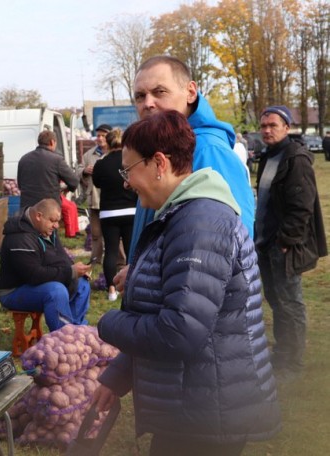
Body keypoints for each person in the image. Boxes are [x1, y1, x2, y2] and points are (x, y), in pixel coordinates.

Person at [92, 110, 281, 456]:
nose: (125, 182)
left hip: (206, 414)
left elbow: (178, 331)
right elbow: (166, 308)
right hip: (193, 402)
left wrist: (108, 324)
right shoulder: (181, 216)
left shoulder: (200, 223)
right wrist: (120, 375)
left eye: (129, 169)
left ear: (159, 163)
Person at [115, 55, 255, 293]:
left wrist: (145, 271)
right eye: (140, 96)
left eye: (159, 92)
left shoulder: (207, 150)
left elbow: (231, 244)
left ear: (190, 92)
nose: (148, 103)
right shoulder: (163, 148)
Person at [255, 105, 327, 381]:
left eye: (272, 125)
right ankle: (282, 353)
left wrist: (285, 241)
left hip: (282, 246)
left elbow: (302, 206)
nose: (267, 130)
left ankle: (294, 362)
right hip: (265, 242)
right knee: (275, 299)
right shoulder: (268, 156)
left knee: (290, 302)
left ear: (287, 127)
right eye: (263, 126)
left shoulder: (295, 158)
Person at [0, 198, 92, 332]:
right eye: (53, 221)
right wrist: (70, 272)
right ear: (39, 216)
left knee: (82, 283)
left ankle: (76, 331)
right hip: (13, 291)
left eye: (58, 221)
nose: (56, 225)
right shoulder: (20, 237)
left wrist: (76, 270)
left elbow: (61, 257)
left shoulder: (46, 229)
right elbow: (34, 275)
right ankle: (63, 337)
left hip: (36, 284)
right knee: (56, 291)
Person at [91, 128, 136, 302]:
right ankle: (130, 285)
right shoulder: (130, 161)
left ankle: (111, 289)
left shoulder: (101, 163)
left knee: (110, 250)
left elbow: (97, 182)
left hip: (109, 212)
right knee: (131, 249)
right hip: (131, 210)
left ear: (107, 143)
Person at [76, 123, 112, 264]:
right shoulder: (89, 155)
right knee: (96, 234)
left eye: (103, 135)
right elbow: (78, 171)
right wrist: (84, 171)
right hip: (95, 200)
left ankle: (120, 261)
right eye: (98, 135)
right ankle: (96, 260)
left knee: (115, 235)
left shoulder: (116, 153)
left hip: (112, 200)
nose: (100, 138)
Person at [17, 130, 79, 209]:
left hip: (27, 209)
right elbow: (74, 181)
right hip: (49, 210)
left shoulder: (24, 159)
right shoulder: (57, 160)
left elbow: (20, 185)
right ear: (52, 142)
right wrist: (67, 189)